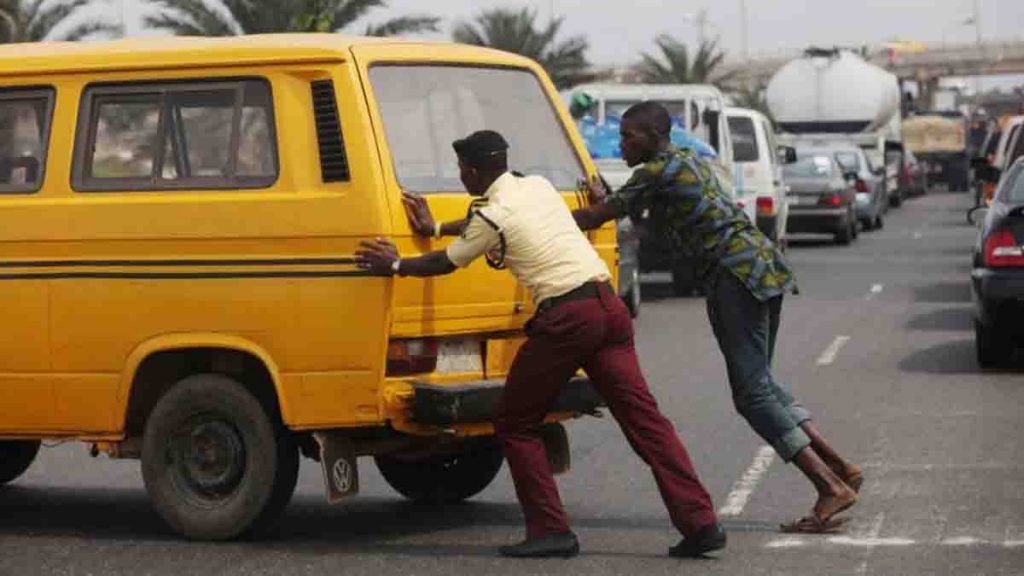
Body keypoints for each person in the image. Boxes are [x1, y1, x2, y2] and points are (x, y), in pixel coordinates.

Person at [354, 129, 725, 558]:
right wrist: (436, 225)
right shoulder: (537, 187)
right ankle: (700, 523)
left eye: (461, 172)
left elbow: (446, 260)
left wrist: (394, 264)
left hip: (567, 319)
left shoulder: (493, 214)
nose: (461, 179)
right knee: (647, 424)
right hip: (609, 309)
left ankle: (551, 529)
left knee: (515, 422)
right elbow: (486, 219)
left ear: (472, 171)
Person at [572, 102, 862, 534]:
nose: (622, 143)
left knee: (752, 396)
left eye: (629, 136)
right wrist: (614, 200)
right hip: (761, 264)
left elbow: (597, 215)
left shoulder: (653, 172)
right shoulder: (684, 162)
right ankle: (840, 466)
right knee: (762, 383)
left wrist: (540, 218)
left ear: (653, 136)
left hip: (734, 276)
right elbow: (643, 211)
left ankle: (828, 485)